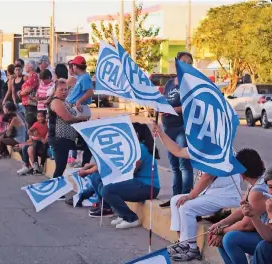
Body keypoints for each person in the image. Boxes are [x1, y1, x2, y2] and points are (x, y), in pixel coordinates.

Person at [153, 121, 242, 262]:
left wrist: (191, 195)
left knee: (187, 207)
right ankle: (183, 243)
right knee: (176, 200)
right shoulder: (204, 147)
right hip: (210, 194)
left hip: (226, 196)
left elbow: (208, 175)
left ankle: (193, 249)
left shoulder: (221, 150)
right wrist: (161, 133)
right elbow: (177, 151)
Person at [88, 123, 160, 230]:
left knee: (107, 190)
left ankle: (131, 218)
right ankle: (122, 214)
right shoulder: (140, 147)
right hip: (140, 184)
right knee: (102, 186)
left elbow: (131, 170)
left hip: (148, 187)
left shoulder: (140, 148)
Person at [209, 149, 268, 264]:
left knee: (229, 239)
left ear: (242, 173)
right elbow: (242, 210)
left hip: (269, 236)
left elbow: (246, 225)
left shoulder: (259, 190)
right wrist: (220, 224)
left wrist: (222, 231)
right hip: (259, 232)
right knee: (220, 239)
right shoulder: (254, 184)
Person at [159, 52, 195, 208]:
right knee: (173, 165)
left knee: (184, 164)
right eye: (183, 62)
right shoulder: (170, 83)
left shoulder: (190, 83)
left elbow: (189, 104)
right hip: (168, 128)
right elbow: (164, 101)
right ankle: (175, 198)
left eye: (189, 62)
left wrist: (172, 110)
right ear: (177, 64)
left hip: (182, 127)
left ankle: (185, 197)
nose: (186, 64)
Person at [48, 78, 88, 178]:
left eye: (66, 89)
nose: (64, 92)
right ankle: (56, 190)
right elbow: (68, 119)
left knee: (88, 147)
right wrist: (81, 118)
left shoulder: (64, 102)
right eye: (61, 90)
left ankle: (84, 169)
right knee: (60, 168)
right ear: (55, 91)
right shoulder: (56, 102)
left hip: (67, 139)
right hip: (60, 138)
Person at [17, 111, 49, 175]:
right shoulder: (36, 124)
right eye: (38, 117)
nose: (40, 118)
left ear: (45, 117)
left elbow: (44, 141)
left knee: (32, 146)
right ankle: (29, 165)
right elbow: (29, 132)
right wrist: (32, 133)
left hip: (43, 144)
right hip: (37, 142)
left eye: (42, 116)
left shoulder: (47, 125)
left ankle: (37, 165)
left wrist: (37, 136)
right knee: (24, 147)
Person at [20, 60, 39, 128]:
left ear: (31, 67)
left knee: (30, 122)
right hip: (28, 103)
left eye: (27, 65)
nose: (25, 67)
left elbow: (28, 89)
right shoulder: (31, 76)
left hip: (30, 103)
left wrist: (20, 93)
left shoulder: (33, 76)